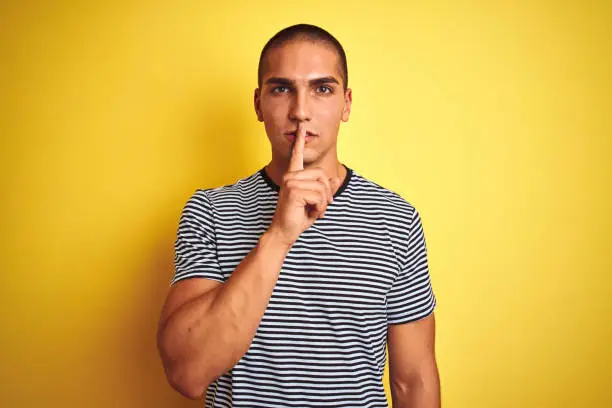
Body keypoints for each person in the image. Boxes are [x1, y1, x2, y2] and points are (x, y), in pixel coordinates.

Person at [157, 23, 440, 407]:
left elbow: (414, 380)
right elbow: (187, 373)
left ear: (347, 104)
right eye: (281, 89)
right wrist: (278, 235)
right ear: (258, 103)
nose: (301, 111)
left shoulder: (395, 218)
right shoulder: (210, 210)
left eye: (322, 89)